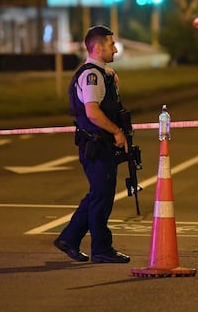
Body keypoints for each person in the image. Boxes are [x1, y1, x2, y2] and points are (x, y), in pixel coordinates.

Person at [53, 25, 132, 264]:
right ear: (97, 47)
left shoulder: (104, 75)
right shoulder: (92, 76)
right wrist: (117, 132)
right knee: (101, 197)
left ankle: (69, 239)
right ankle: (101, 248)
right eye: (111, 45)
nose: (115, 49)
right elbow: (93, 112)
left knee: (100, 195)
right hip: (95, 145)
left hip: (102, 145)